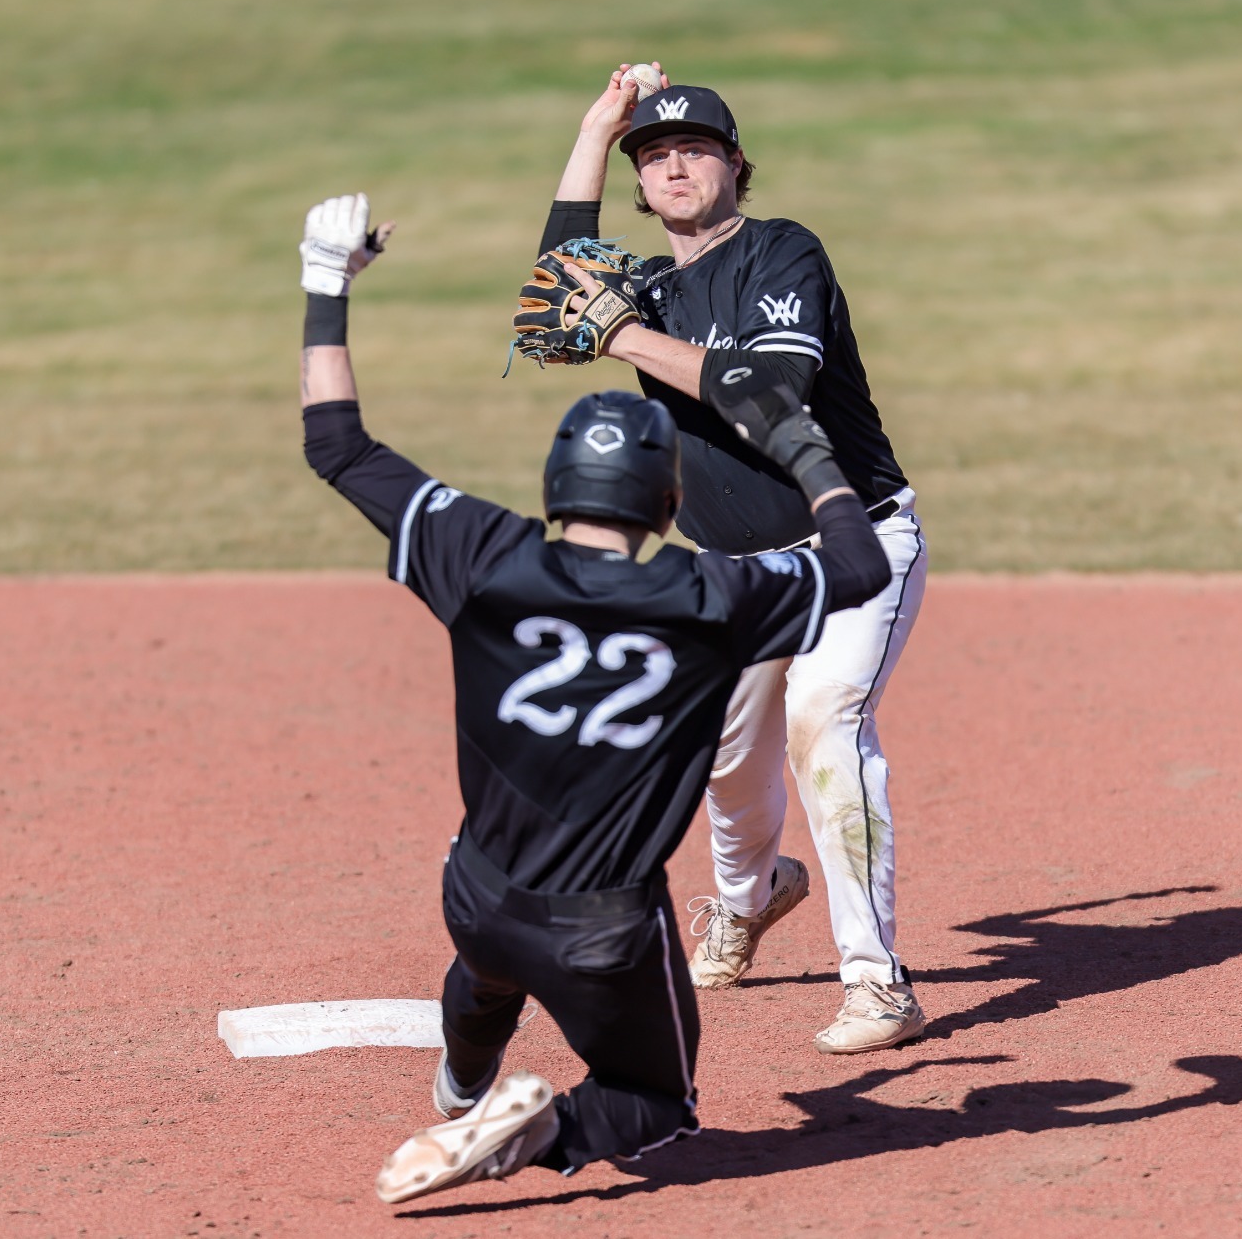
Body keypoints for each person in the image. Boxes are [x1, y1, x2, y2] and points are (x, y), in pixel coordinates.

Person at [292, 192, 891, 1205]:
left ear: (553, 484)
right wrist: (801, 448)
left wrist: (324, 281)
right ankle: (530, 1132)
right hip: (603, 935)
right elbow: (861, 564)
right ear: (668, 503)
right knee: (654, 1101)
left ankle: (462, 1077)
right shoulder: (712, 595)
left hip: (477, 895)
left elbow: (337, 445)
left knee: (488, 964)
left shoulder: (480, 553)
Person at [533, 66, 930, 1053]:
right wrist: (594, 131)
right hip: (730, 568)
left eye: (694, 150)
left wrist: (625, 336)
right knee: (723, 755)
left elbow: (769, 384)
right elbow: (556, 290)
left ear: (733, 164)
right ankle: (747, 899)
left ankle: (876, 981)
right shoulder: (648, 286)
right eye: (654, 156)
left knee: (822, 718)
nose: (674, 167)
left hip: (850, 543)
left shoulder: (782, 251)